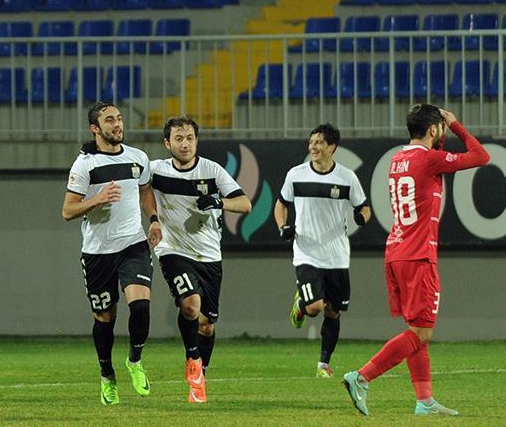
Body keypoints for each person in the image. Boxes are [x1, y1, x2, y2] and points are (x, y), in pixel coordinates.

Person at [343, 105, 490, 416]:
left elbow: (432, 164)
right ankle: (362, 377)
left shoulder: (398, 160)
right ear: (434, 130)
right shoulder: (429, 159)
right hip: (418, 254)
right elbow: (481, 156)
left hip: (397, 251)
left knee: (416, 330)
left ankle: (424, 400)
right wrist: (456, 125)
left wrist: (440, 133)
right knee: (421, 333)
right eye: (440, 128)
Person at [62, 101, 161, 406]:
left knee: (141, 305)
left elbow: (145, 190)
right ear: (95, 128)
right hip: (98, 252)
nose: (117, 124)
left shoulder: (138, 157)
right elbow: (68, 210)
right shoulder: (85, 165)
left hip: (133, 244)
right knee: (105, 317)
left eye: (119, 118)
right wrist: (98, 199)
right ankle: (107, 375)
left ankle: (135, 360)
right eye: (109, 120)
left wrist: (153, 219)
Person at [151, 116, 252, 403]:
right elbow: (133, 177)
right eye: (179, 139)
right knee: (190, 304)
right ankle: (193, 358)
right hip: (173, 250)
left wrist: (219, 202)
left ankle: (200, 376)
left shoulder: (212, 170)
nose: (185, 144)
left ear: (196, 141)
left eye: (190, 138)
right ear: (167, 143)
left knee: (206, 324)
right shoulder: (156, 170)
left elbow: (245, 204)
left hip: (209, 255)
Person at [274, 124, 371, 377]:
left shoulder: (347, 178)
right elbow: (281, 204)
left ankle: (323, 365)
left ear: (332, 147)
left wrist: (362, 218)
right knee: (315, 307)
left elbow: (364, 208)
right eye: (311, 142)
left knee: (333, 311)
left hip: (337, 256)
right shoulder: (296, 174)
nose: (313, 147)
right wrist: (283, 226)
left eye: (319, 142)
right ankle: (301, 305)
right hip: (306, 253)